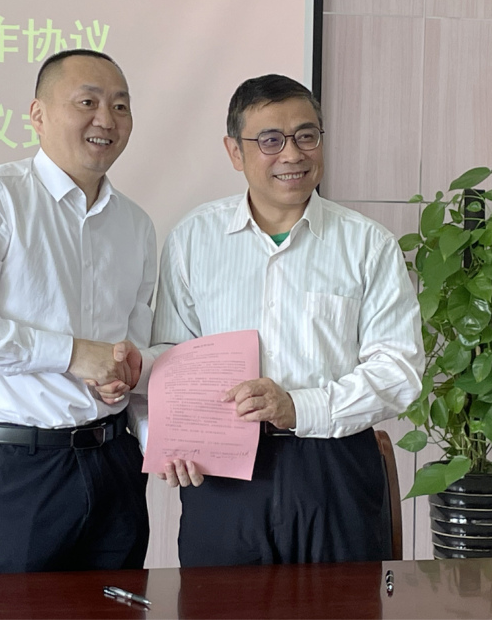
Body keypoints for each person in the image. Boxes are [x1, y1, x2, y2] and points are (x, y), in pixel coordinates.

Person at [148, 74, 424, 567]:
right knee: (218, 603)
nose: (292, 154)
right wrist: (165, 439)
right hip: (223, 474)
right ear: (235, 152)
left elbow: (399, 371)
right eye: (271, 140)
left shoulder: (368, 244)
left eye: (306, 136)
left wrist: (299, 407)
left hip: (334, 468)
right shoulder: (192, 240)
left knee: (342, 603)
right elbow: (170, 357)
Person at [0, 49, 155, 575]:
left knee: (117, 612)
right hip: (19, 469)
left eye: (120, 106)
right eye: (87, 102)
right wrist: (72, 354)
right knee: (4, 611)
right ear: (38, 115)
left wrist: (127, 387)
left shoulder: (136, 225)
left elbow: (132, 349)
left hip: (115, 466)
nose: (106, 119)